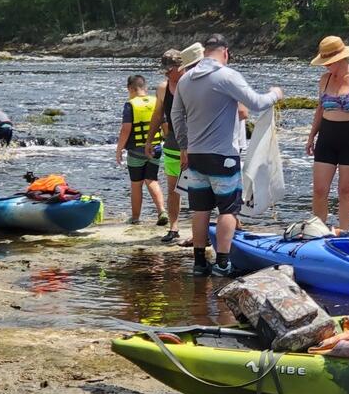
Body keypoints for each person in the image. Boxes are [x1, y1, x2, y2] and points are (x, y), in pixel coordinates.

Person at [171, 34, 283, 275]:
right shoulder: (226, 75)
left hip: (196, 155)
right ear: (225, 52)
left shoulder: (185, 80)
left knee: (200, 210)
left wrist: (184, 146)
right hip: (224, 156)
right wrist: (275, 94)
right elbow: (255, 103)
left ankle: (200, 263)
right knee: (228, 209)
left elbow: (176, 117)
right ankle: (222, 262)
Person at [306, 36, 349, 233]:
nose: (325, 66)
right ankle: (317, 231)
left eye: (328, 62)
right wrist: (312, 136)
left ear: (340, 58)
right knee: (320, 190)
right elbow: (320, 110)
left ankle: (344, 232)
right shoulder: (324, 80)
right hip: (327, 137)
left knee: (346, 191)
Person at [146, 44, 202, 242]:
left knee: (199, 189)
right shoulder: (163, 88)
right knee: (173, 189)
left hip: (195, 145)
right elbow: (157, 115)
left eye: (172, 70)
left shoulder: (193, 84)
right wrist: (149, 140)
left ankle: (201, 231)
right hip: (171, 145)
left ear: (182, 67)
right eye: (166, 71)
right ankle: (174, 227)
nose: (169, 74)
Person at [116, 74, 167, 225]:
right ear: (145, 87)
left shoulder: (130, 105)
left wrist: (119, 150)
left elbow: (126, 129)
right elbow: (165, 126)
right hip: (156, 148)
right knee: (152, 179)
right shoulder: (156, 101)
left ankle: (136, 217)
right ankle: (162, 211)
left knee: (136, 184)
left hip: (136, 150)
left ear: (130, 89)